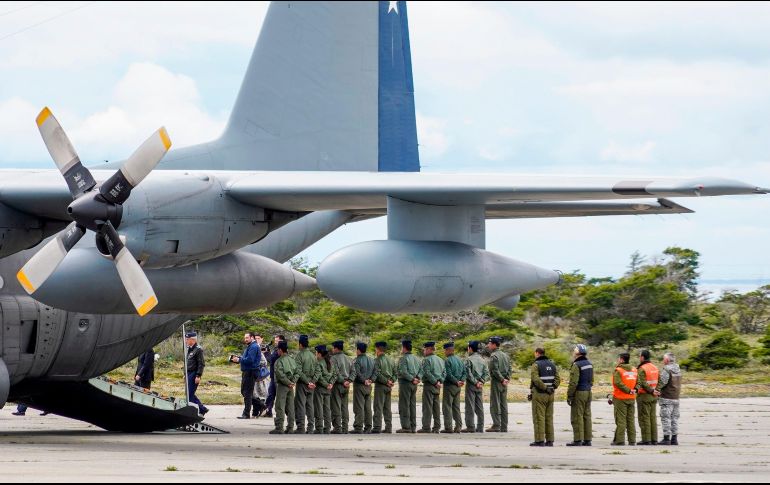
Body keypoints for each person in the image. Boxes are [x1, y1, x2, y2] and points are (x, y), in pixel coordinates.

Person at [529, 347, 561, 447]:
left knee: (539, 417)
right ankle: (550, 440)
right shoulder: (552, 364)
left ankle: (539, 440)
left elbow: (536, 379)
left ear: (537, 353)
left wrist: (545, 388)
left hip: (540, 394)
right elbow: (558, 379)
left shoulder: (536, 365)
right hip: (550, 395)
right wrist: (552, 387)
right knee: (549, 417)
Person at [566, 344, 594, 447]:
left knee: (577, 416)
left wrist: (569, 395)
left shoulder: (576, 365)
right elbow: (591, 380)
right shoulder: (589, 364)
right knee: (587, 416)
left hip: (579, 392)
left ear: (577, 352)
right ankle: (588, 439)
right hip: (588, 392)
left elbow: (573, 383)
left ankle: (578, 440)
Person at [270, 341, 299, 434]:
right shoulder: (292, 360)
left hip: (283, 386)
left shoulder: (279, 361)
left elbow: (280, 374)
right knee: (290, 407)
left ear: (280, 350)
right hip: (291, 386)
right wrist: (293, 382)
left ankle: (279, 427)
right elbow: (298, 372)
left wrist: (288, 382)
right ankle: (290, 427)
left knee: (280, 406)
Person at [231, 332, 261, 419]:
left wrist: (239, 359)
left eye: (247, 338)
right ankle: (260, 405)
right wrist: (238, 359)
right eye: (245, 338)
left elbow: (250, 360)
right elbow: (247, 359)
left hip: (251, 372)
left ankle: (246, 413)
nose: (245, 339)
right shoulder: (251, 346)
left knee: (247, 393)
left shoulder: (254, 346)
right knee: (245, 392)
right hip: (247, 371)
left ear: (252, 338)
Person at [294, 335, 319, 434]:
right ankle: (310, 427)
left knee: (300, 405)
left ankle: (301, 427)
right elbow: (318, 370)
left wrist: (307, 382)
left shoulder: (299, 355)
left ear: (300, 344)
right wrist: (313, 381)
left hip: (302, 384)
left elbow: (298, 371)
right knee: (310, 405)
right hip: (311, 384)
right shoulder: (313, 355)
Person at [462, 340, 489, 433]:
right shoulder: (483, 360)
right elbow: (487, 373)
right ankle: (480, 427)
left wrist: (475, 382)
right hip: (480, 386)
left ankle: (470, 426)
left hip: (471, 385)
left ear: (470, 348)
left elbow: (468, 374)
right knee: (479, 407)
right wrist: (481, 381)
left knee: (470, 406)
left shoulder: (468, 360)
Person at [612, 352, 638, 446]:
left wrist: (628, 390)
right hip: (631, 398)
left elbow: (618, 383)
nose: (618, 360)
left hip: (620, 398)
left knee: (621, 420)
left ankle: (620, 440)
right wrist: (634, 390)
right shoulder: (635, 370)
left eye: (619, 358)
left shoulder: (618, 370)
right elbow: (638, 382)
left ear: (622, 360)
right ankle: (632, 440)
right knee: (630, 420)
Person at [655, 352, 682, 446]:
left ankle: (666, 438)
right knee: (674, 419)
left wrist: (656, 390)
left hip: (667, 397)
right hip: (676, 397)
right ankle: (674, 439)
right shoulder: (678, 369)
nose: (663, 360)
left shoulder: (666, 370)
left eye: (663, 359)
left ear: (666, 360)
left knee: (665, 418)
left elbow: (662, 382)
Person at [419, 342, 445, 434]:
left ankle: (426, 427)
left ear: (429, 349)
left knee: (427, 407)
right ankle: (437, 427)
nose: (424, 351)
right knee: (436, 407)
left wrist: (434, 382)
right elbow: (444, 373)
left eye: (425, 349)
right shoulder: (440, 360)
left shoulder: (426, 360)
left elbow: (427, 372)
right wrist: (439, 382)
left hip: (429, 385)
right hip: (437, 386)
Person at [396, 340, 422, 434]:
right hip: (414, 384)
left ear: (404, 348)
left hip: (405, 383)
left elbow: (403, 372)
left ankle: (406, 426)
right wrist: (417, 378)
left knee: (404, 405)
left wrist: (411, 379)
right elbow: (421, 370)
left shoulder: (403, 359)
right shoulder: (417, 358)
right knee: (412, 405)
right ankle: (413, 426)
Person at [487, 336, 511, 433]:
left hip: (497, 382)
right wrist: (506, 379)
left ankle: (496, 425)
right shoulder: (506, 356)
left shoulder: (494, 356)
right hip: (504, 382)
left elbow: (494, 370)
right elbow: (510, 368)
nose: (488, 345)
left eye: (489, 343)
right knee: (503, 404)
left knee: (494, 403)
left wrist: (501, 379)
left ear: (494, 344)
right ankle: (504, 426)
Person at [350, 342, 375, 434]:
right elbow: (376, 372)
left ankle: (358, 427)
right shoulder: (372, 360)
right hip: (369, 386)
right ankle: (368, 427)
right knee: (368, 407)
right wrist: (371, 380)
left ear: (358, 350)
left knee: (359, 407)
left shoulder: (357, 360)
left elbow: (356, 373)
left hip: (360, 385)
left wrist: (364, 380)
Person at [636, 349, 660, 446]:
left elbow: (642, 383)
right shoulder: (655, 367)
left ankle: (646, 439)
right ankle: (654, 439)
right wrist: (656, 390)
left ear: (642, 357)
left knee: (644, 417)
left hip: (644, 396)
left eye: (639, 356)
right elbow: (660, 381)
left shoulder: (642, 368)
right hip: (654, 396)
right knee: (652, 418)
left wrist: (651, 390)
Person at [372, 341, 396, 434]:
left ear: (377, 349)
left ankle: (377, 427)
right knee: (387, 407)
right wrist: (391, 381)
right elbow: (395, 373)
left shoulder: (376, 360)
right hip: (389, 386)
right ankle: (388, 427)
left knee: (378, 407)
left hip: (381, 386)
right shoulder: (391, 360)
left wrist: (386, 381)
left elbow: (377, 374)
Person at [442, 342, 465, 434]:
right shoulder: (460, 360)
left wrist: (456, 381)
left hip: (449, 386)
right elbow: (464, 372)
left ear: (448, 350)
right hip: (458, 387)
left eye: (445, 350)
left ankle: (448, 427)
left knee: (447, 407)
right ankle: (458, 426)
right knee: (456, 407)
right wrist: (461, 381)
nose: (444, 352)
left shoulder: (447, 361)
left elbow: (448, 374)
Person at [330, 340, 352, 434]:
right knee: (344, 406)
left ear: (336, 348)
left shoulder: (333, 359)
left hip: (338, 384)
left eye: (333, 348)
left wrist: (343, 381)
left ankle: (337, 427)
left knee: (336, 406)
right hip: (347, 385)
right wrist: (349, 381)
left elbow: (336, 373)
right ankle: (345, 427)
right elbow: (354, 371)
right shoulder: (349, 358)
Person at [313, 345, 336, 435]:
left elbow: (319, 376)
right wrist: (331, 384)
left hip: (320, 389)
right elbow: (335, 375)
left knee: (319, 408)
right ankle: (327, 428)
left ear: (319, 354)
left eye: (316, 353)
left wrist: (326, 385)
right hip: (328, 389)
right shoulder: (331, 362)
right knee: (327, 409)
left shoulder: (319, 363)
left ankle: (319, 428)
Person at [185, 331, 209, 416]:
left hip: (194, 373)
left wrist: (198, 375)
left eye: (187, 339)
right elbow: (188, 363)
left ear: (193, 340)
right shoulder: (190, 349)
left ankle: (198, 410)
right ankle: (202, 409)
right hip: (188, 373)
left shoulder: (198, 349)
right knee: (189, 393)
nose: (186, 340)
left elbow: (201, 364)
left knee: (190, 394)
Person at [264, 335, 285, 419]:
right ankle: (268, 411)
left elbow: (271, 360)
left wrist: (267, 353)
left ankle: (282, 413)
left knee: (276, 395)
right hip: (274, 376)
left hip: (277, 377)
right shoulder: (277, 350)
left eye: (277, 341)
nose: (275, 342)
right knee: (271, 394)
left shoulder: (280, 351)